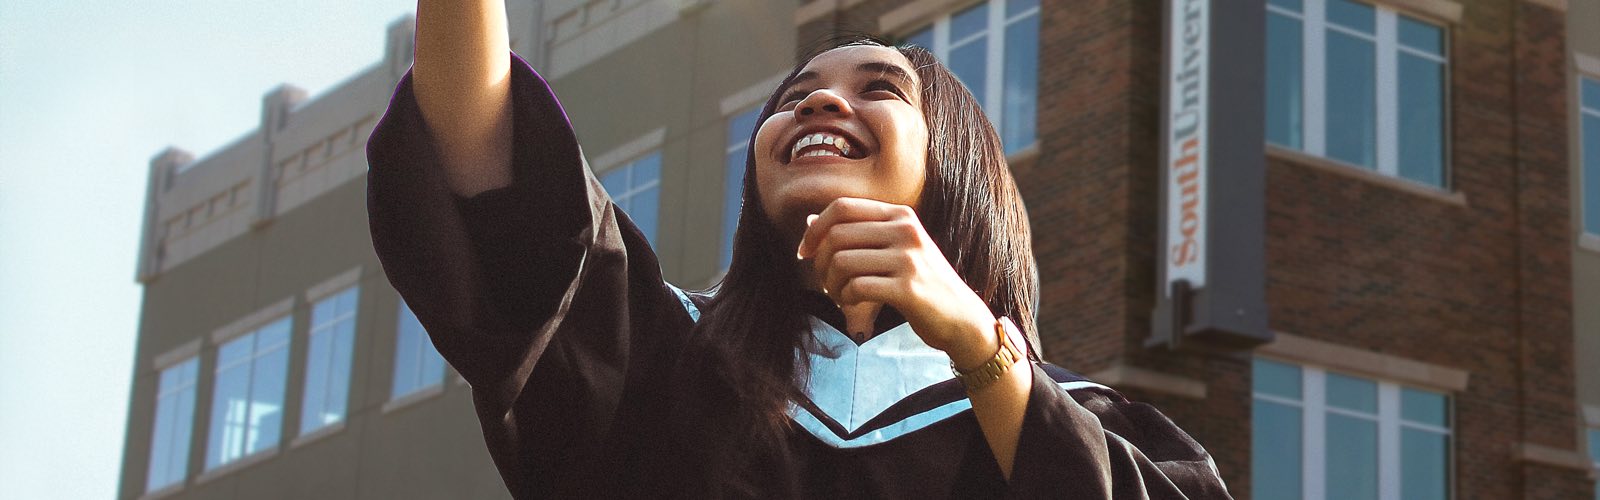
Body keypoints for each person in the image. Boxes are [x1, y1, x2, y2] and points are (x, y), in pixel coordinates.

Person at [366, 1, 1231, 498]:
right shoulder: (658, 355)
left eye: (878, 89)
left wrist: (978, 345)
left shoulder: (1074, 422)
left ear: (956, 165)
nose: (817, 106)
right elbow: (493, 172)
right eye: (795, 96)